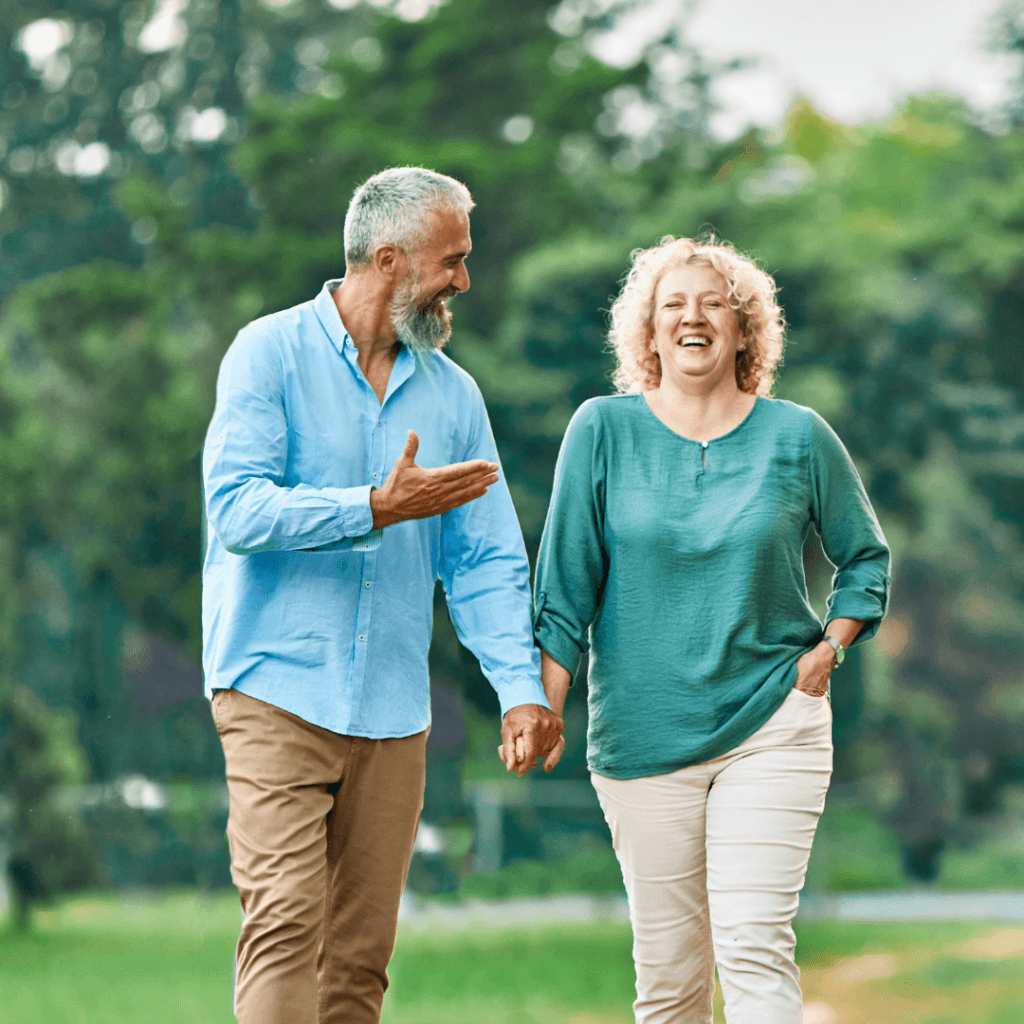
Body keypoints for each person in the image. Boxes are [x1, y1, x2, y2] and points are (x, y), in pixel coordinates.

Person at [202, 166, 563, 1024]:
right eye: (453, 261)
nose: (463, 283)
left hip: (393, 712)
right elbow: (236, 509)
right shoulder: (269, 352)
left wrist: (518, 688)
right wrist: (373, 507)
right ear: (390, 259)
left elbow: (482, 560)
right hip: (274, 690)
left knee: (360, 963)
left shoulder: (454, 395)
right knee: (286, 921)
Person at [532, 235, 890, 1023]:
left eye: (714, 303)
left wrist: (829, 649)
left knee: (753, 944)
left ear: (743, 330)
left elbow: (865, 559)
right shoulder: (601, 431)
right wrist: (543, 706)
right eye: (674, 305)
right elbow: (564, 590)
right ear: (650, 333)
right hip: (642, 736)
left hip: (773, 720)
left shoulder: (797, 437)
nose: (693, 317)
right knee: (669, 982)